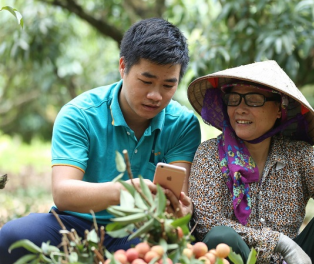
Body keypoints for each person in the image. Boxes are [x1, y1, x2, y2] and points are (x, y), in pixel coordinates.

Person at [0, 18, 201, 263]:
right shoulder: (79, 114)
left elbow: (179, 196)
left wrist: (182, 210)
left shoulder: (182, 124)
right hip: (75, 224)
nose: (155, 95)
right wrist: (124, 191)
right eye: (146, 81)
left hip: (142, 229)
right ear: (123, 66)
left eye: (168, 85)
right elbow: (63, 193)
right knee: (13, 236)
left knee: (159, 250)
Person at [187, 60, 314, 264]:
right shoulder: (209, 154)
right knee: (221, 237)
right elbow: (208, 223)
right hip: (241, 259)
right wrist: (280, 242)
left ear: (279, 109)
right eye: (234, 99)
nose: (240, 109)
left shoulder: (297, 155)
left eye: (253, 99)